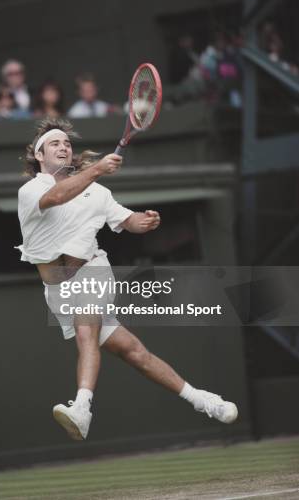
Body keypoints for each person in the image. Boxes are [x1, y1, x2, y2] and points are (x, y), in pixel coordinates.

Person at [16, 118, 238, 441]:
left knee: (85, 330)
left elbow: (126, 219)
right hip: (58, 291)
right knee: (135, 352)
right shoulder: (30, 191)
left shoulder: (97, 191)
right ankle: (203, 399)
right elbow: (57, 196)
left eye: (67, 143)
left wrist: (143, 221)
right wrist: (98, 169)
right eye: (55, 143)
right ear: (39, 155)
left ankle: (82, 407)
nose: (63, 146)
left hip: (92, 271)